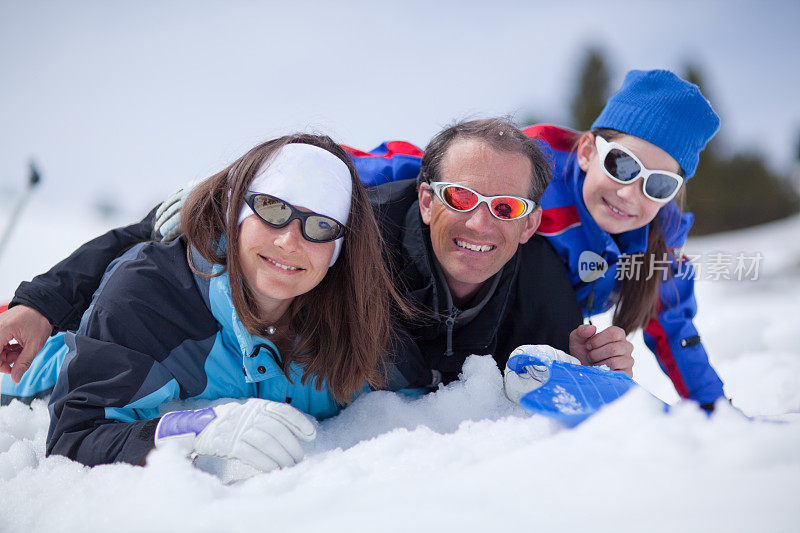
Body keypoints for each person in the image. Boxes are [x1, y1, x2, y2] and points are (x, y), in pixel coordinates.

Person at [0, 119, 634, 400]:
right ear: (425, 200)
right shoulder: (353, 229)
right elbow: (159, 243)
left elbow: (565, 398)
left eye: (506, 209)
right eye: (463, 197)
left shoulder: (545, 290)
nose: (479, 223)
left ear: (528, 225)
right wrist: (40, 303)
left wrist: (590, 366)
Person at [3, 133, 412, 469]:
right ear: (237, 211)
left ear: (340, 247)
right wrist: (193, 428)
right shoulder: (151, 296)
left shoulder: (357, 318)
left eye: (321, 225)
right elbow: (75, 436)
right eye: (272, 208)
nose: (290, 240)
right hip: (22, 374)